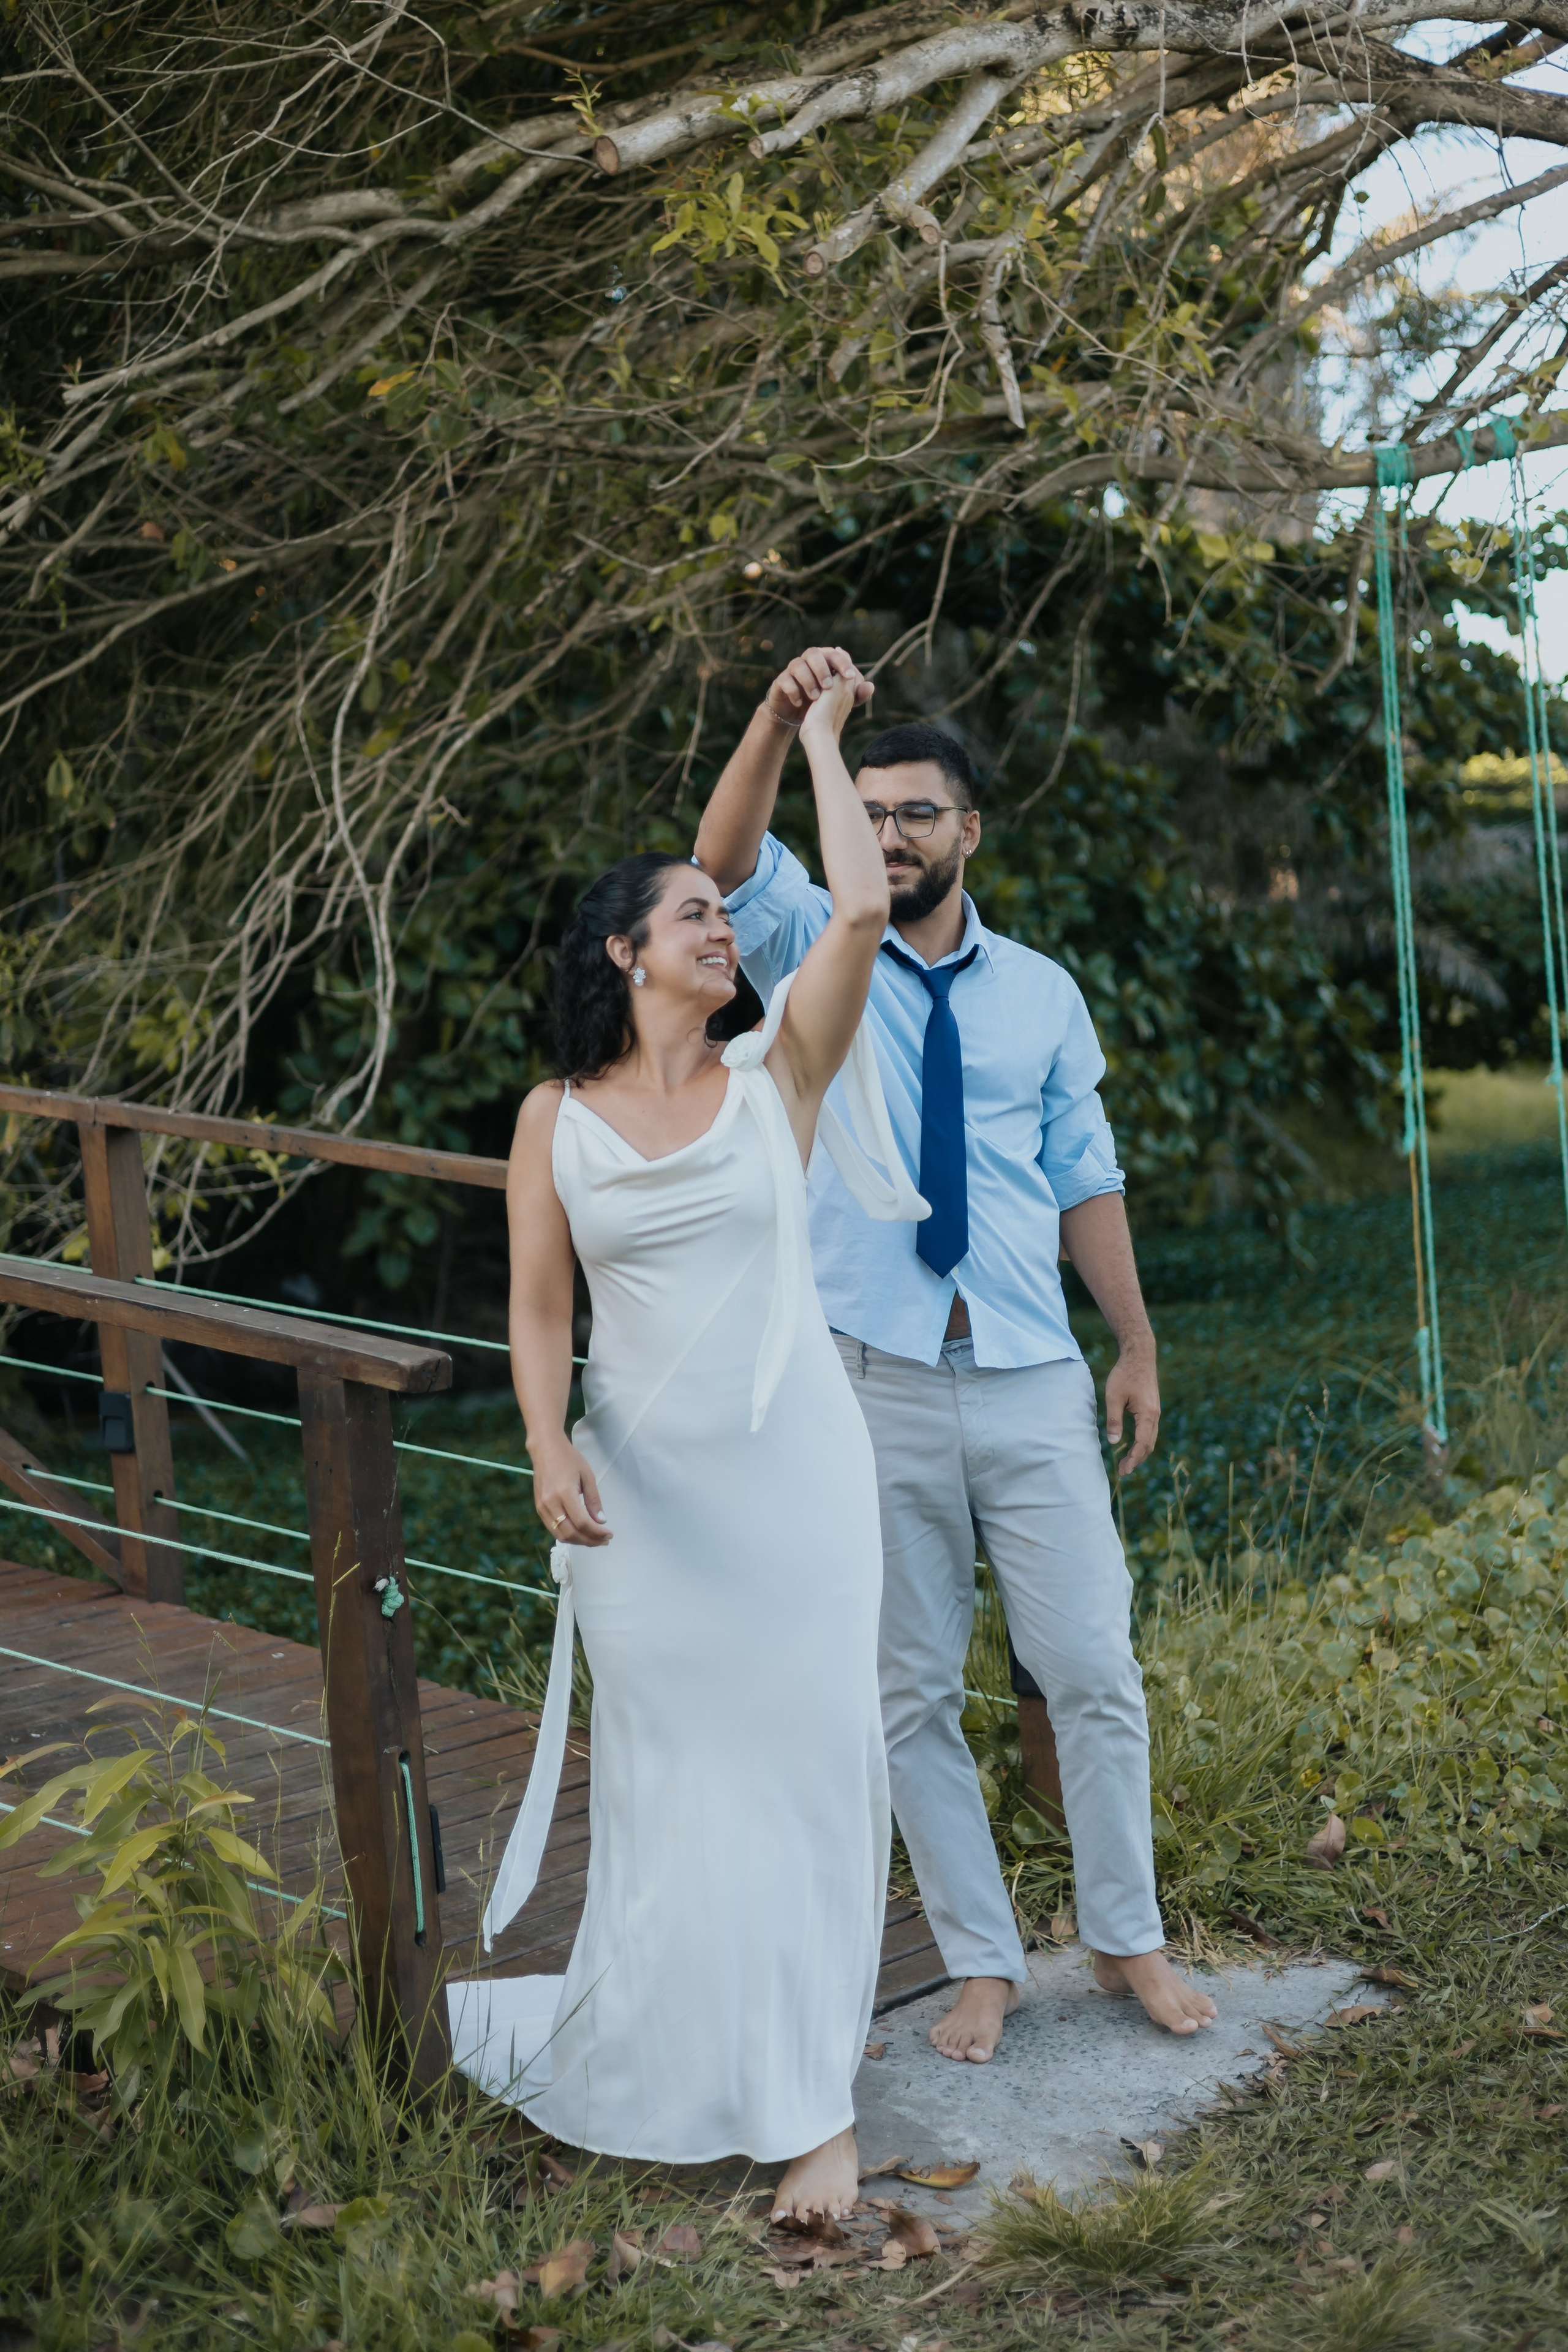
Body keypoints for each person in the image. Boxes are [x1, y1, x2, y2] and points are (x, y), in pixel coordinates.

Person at [693, 648, 1218, 2062]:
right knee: (908, 1685)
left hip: (1033, 1375)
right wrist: (780, 719)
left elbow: (1081, 1177)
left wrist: (1133, 1343)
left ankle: (1124, 1943)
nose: (889, 834)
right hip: (868, 1379)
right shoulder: (814, 938)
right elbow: (725, 853)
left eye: (916, 812)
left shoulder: (1042, 994)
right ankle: (982, 1959)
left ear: (967, 828)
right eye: (867, 810)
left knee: (1090, 1664)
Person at [460, 664, 929, 2222]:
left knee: (802, 1769)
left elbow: (852, 916)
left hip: (792, 1484)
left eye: (722, 920)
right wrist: (544, 1449)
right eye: (691, 917)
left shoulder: (773, 1072)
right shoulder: (554, 1117)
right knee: (671, 1780)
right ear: (623, 955)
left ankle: (810, 2103)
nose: (722, 931)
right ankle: (674, 2046)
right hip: (640, 1496)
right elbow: (538, 1310)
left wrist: (819, 740)